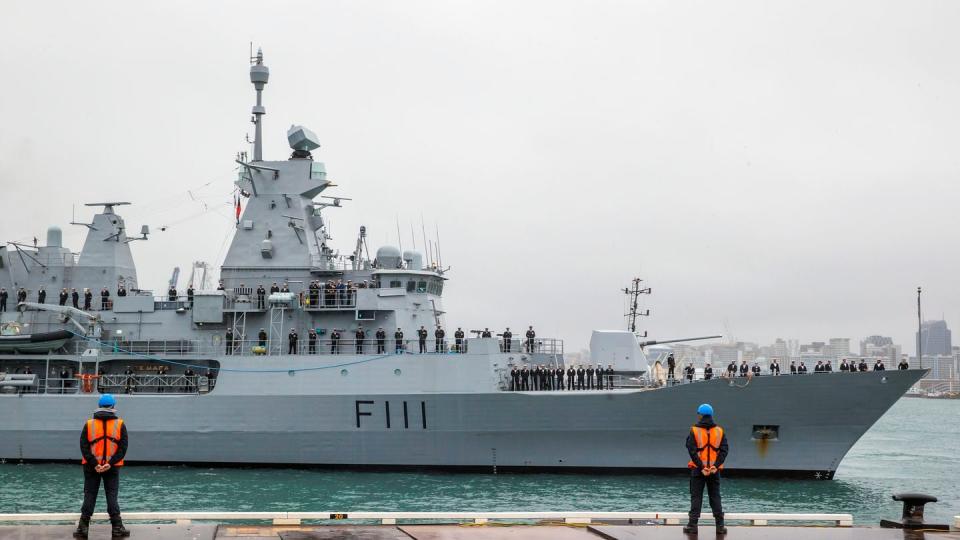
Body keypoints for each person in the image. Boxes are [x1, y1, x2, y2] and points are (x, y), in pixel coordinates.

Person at [75, 393, 130, 538]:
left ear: (99, 406)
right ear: (113, 406)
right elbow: (122, 449)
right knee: (112, 495)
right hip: (112, 468)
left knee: (90, 494)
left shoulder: (89, 424)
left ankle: (82, 528)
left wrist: (95, 464)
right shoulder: (120, 424)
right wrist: (109, 464)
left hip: (91, 467)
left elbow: (84, 446)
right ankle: (117, 527)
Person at [683, 403, 728, 535]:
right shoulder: (720, 430)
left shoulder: (694, 430)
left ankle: (692, 526)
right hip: (714, 471)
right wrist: (714, 466)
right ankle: (720, 527)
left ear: (700, 415)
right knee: (715, 496)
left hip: (698, 470)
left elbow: (691, 450)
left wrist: (702, 467)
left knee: (696, 497)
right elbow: (724, 450)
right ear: (711, 414)